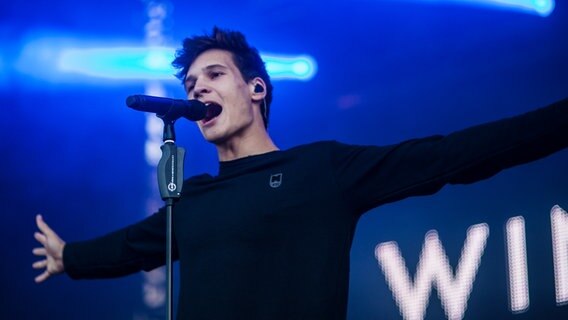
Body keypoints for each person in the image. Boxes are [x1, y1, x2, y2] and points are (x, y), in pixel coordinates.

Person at [33, 27, 568, 320]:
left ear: (256, 89)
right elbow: (131, 246)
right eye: (192, 82)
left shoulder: (320, 169)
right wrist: (71, 257)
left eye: (214, 75)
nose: (196, 89)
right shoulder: (193, 200)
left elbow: (451, 155)